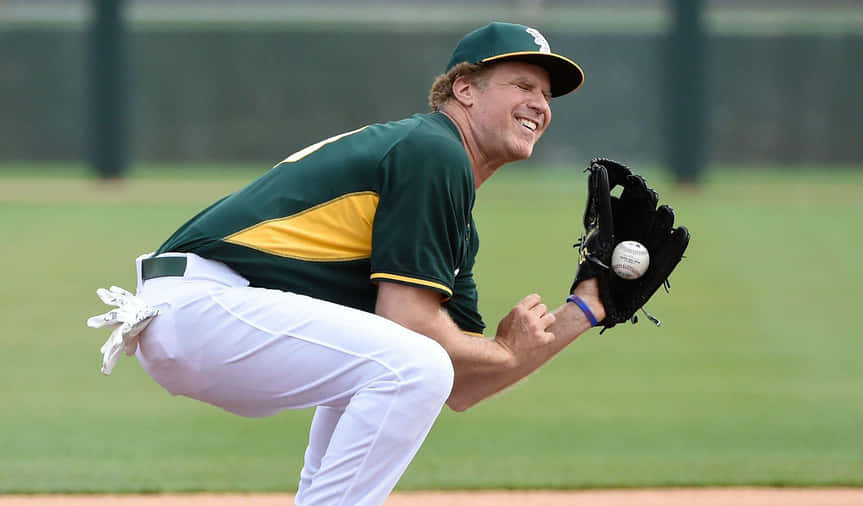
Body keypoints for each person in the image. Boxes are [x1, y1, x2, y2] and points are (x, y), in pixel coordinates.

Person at [88, 21, 608, 506]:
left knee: (403, 365)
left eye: (545, 94)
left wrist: (584, 310)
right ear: (465, 89)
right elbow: (415, 329)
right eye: (522, 85)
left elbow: (461, 384)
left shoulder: (450, 202)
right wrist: (502, 349)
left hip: (209, 316)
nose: (539, 104)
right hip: (203, 306)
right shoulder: (434, 151)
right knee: (410, 362)